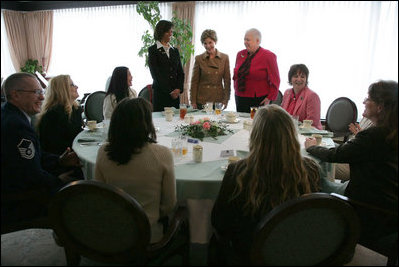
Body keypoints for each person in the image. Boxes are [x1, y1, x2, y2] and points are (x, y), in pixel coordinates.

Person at [210, 104, 320, 265]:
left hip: (249, 253)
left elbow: (219, 221)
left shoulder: (238, 172)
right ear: (291, 134)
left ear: (255, 136)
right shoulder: (310, 170)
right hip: (295, 251)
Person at [305, 80, 398, 247]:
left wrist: (312, 147)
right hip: (388, 206)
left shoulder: (373, 136)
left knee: (311, 172)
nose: (364, 101)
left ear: (380, 107)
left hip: (367, 209)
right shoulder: (391, 132)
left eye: (369, 98)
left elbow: (334, 155)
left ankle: (309, 233)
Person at [1, 72, 81, 224]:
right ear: (16, 95)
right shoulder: (16, 126)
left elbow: (34, 156)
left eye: (42, 92)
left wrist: (59, 161)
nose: (42, 97)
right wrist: (58, 181)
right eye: (36, 92)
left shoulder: (12, 115)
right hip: (20, 200)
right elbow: (30, 175)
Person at [94, 97, 176, 243]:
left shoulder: (102, 152)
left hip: (111, 232)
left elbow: (99, 196)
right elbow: (169, 204)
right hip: (146, 234)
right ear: (146, 124)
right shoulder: (162, 154)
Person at [233, 28, 280, 113]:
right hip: (240, 97)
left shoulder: (268, 56)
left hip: (258, 99)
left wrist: (270, 97)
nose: (245, 42)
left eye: (248, 40)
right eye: (244, 39)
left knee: (256, 124)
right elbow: (236, 75)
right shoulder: (240, 54)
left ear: (257, 41)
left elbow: (275, 80)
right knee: (241, 124)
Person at [36, 75, 84, 155]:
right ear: (62, 90)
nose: (77, 87)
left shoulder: (75, 109)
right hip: (62, 159)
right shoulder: (53, 115)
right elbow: (54, 147)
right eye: (72, 85)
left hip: (76, 151)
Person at [148, 20, 185, 112]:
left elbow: (180, 72)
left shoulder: (174, 50)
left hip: (175, 95)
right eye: (168, 31)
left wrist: (178, 89)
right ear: (161, 32)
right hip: (161, 94)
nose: (171, 34)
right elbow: (155, 74)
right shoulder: (153, 50)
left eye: (171, 31)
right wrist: (169, 91)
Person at [190, 29, 231, 110]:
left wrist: (226, 100)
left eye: (210, 42)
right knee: (202, 122)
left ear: (215, 41)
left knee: (217, 122)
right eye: (205, 43)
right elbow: (194, 82)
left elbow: (227, 81)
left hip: (218, 100)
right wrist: (193, 101)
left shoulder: (224, 58)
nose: (208, 46)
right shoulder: (199, 59)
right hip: (202, 99)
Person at [281, 64, 322, 129]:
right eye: (296, 76)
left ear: (306, 79)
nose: (299, 79)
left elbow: (313, 123)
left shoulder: (312, 96)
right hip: (288, 132)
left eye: (302, 77)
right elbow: (282, 116)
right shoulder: (287, 93)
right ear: (290, 79)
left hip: (308, 135)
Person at [335, 117, 374, 181]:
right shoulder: (367, 118)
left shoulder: (379, 126)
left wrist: (361, 139)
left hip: (353, 163)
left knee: (319, 163)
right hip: (349, 153)